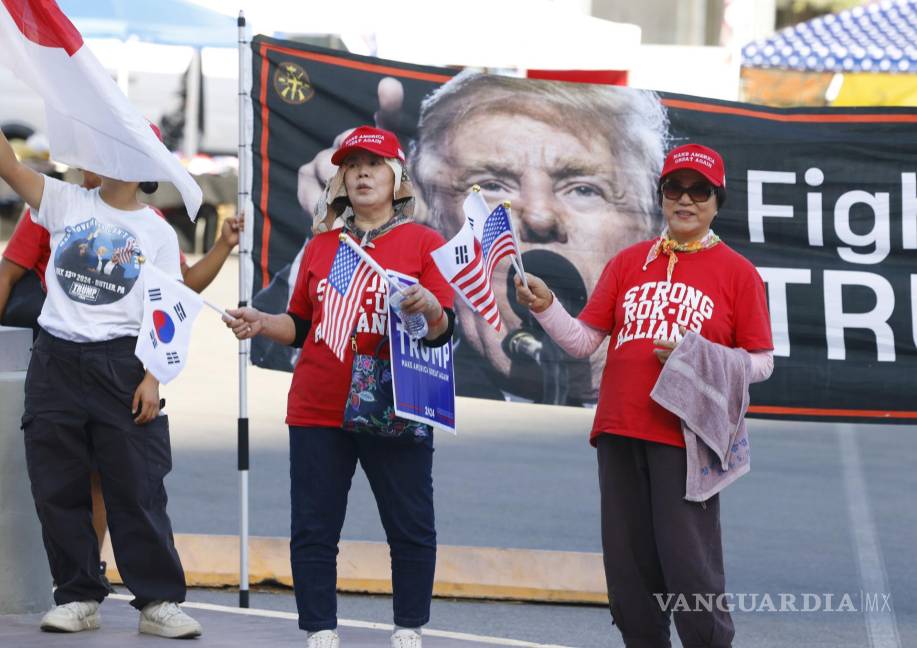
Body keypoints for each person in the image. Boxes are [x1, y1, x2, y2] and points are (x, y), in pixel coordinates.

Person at [515, 144, 774, 648]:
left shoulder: (737, 272)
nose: (685, 199)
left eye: (699, 191)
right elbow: (583, 341)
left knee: (689, 565)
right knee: (629, 566)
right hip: (618, 428)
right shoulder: (629, 262)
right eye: (674, 188)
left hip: (685, 435)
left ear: (717, 201)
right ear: (660, 196)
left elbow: (762, 362)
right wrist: (547, 308)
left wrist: (696, 355)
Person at [226, 126, 454, 648]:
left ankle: (408, 628)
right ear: (341, 180)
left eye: (372, 165)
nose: (361, 174)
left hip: (396, 402)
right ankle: (320, 630)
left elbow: (445, 330)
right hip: (317, 405)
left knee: (410, 523)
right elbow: (300, 324)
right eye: (351, 166)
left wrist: (429, 309)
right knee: (313, 526)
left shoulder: (424, 242)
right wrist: (263, 322)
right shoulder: (323, 245)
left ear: (396, 177)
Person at [0, 129, 202, 639]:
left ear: (141, 165)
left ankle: (158, 602)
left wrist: (153, 378)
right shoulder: (65, 200)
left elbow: (168, 312)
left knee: (136, 487)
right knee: (56, 484)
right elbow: (12, 169)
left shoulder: (157, 234)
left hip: (122, 364)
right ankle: (77, 595)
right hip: (56, 360)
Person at [409, 71, 669, 405]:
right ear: (434, 216)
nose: (539, 216)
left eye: (583, 189)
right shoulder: (415, 399)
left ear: (651, 226)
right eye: (491, 185)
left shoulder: (679, 394)